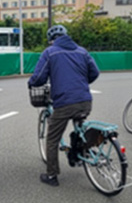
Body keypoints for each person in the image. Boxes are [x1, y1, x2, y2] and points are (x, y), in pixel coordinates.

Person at [28, 25, 100, 186]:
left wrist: (31, 82)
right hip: (85, 101)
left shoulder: (50, 52)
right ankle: (77, 154)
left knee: (52, 138)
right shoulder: (82, 51)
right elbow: (95, 72)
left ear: (52, 41)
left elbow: (39, 77)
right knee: (79, 126)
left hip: (65, 103)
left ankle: (52, 175)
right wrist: (81, 83)